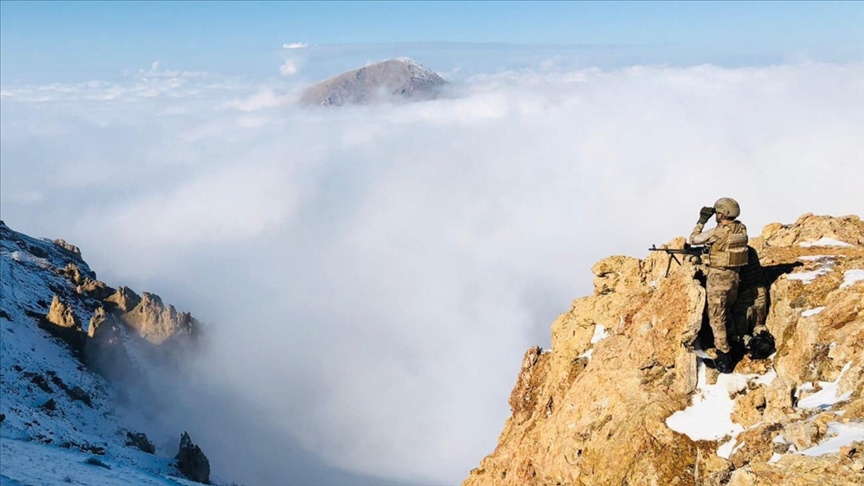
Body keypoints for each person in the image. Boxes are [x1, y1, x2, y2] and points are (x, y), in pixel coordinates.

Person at [690, 197, 749, 373]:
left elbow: (694, 239)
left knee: (716, 317)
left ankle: (724, 357)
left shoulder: (719, 231)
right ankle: (732, 343)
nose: (716, 215)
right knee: (727, 312)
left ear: (722, 213)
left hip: (718, 279)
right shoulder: (741, 228)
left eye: (717, 212)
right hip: (734, 277)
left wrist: (701, 221)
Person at [732, 246, 775, 359]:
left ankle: (751, 345)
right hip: (760, 293)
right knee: (759, 325)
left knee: (739, 333)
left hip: (743, 297)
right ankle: (763, 343)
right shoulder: (751, 251)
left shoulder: (730, 254)